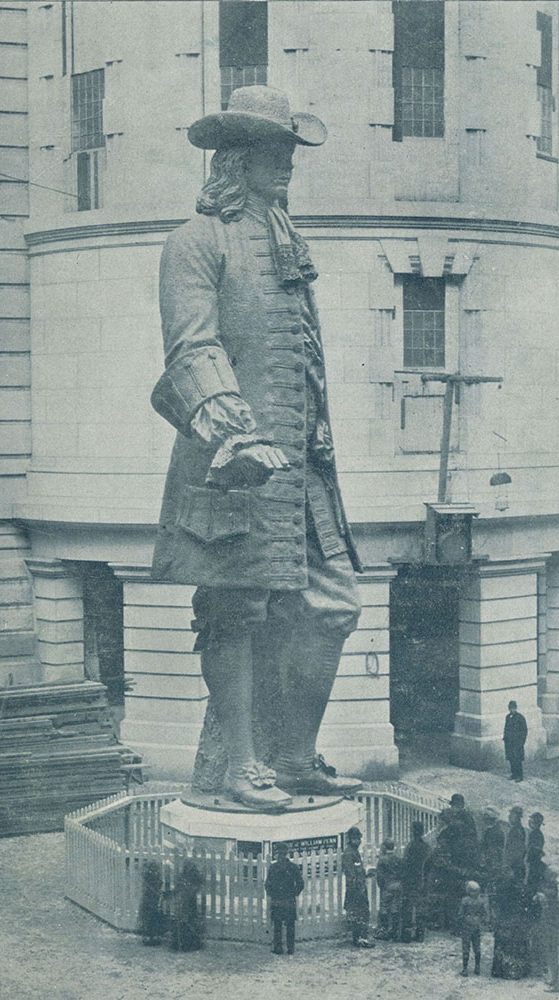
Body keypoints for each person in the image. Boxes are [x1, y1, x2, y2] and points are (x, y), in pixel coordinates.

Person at [150, 84, 363, 811]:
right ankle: (240, 768)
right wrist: (234, 432)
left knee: (332, 605)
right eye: (276, 153)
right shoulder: (195, 241)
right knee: (235, 613)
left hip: (304, 473)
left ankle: (292, 757)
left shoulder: (285, 244)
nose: (288, 167)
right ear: (235, 160)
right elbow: (190, 349)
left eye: (290, 154)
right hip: (230, 467)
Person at [491, 867, 531, 980]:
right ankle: (516, 970)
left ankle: (500, 969)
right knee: (514, 944)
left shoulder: (501, 887)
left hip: (505, 919)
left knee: (505, 943)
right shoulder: (517, 888)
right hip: (513, 919)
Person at [265, 843, 304, 955]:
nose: (281, 856)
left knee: (278, 925)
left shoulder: (274, 867)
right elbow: (300, 884)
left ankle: (279, 948)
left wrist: (272, 894)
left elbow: (267, 885)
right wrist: (294, 893)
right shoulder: (293, 867)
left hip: (278, 900)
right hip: (288, 900)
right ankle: (290, 948)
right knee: (289, 924)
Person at [342, 827, 375, 948]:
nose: (358, 841)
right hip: (356, 890)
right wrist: (358, 888)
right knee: (360, 913)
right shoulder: (348, 854)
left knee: (360, 913)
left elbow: (358, 871)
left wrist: (366, 874)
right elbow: (350, 874)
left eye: (359, 839)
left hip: (360, 887)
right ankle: (360, 939)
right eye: (355, 839)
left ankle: (360, 938)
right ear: (350, 840)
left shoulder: (354, 852)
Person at [401, 820, 431, 943]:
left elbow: (406, 863)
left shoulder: (410, 846)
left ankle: (406, 935)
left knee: (408, 906)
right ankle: (420, 934)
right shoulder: (426, 847)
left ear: (413, 831)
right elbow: (429, 864)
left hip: (411, 879)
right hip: (423, 879)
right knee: (421, 907)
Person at [168, 859, 205, 951]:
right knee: (183, 922)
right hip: (184, 903)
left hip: (190, 903)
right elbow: (177, 889)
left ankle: (189, 943)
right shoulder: (182, 878)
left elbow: (199, 885)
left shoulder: (194, 879)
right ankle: (183, 943)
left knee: (189, 921)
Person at [457, 880, 489, 977]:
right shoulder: (481, 900)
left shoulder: (465, 900)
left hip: (467, 924)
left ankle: (465, 969)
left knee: (466, 947)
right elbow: (484, 914)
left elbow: (460, 915)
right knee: (477, 946)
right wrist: (480, 921)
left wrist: (460, 924)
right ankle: (477, 968)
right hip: (476, 925)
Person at [480, 807, 504, 925]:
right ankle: (491, 919)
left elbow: (489, 849)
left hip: (492, 864)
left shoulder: (492, 832)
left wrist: (486, 859)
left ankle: (491, 919)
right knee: (492, 893)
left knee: (491, 893)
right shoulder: (498, 830)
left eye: (486, 819)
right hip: (495, 864)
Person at [375, 839, 403, 940]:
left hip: (387, 886)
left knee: (384, 908)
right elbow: (402, 872)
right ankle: (394, 931)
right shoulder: (398, 859)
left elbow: (380, 876)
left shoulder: (382, 860)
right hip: (398, 885)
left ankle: (385, 931)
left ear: (384, 847)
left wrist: (381, 886)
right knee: (395, 908)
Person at [137, 861, 165, 945]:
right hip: (149, 903)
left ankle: (154, 936)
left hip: (154, 903)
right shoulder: (147, 881)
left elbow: (159, 885)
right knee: (148, 918)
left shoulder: (158, 881)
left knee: (155, 918)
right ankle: (148, 936)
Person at [503, 700, 528, 782]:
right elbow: (506, 728)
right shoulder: (507, 717)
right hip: (509, 742)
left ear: (516, 708)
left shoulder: (520, 718)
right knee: (511, 758)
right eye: (510, 708)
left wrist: (521, 742)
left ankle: (519, 775)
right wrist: (505, 738)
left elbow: (524, 731)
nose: (511, 710)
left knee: (517, 759)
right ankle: (514, 774)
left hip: (517, 743)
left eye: (513, 708)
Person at [505, 806, 527, 882]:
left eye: (511, 814)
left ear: (516, 816)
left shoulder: (516, 831)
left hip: (514, 869)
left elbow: (517, 852)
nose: (509, 816)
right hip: (516, 867)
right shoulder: (519, 829)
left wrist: (509, 868)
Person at [526, 812, 545, 890]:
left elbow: (533, 851)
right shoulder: (534, 833)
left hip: (532, 865)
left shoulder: (536, 834)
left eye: (532, 821)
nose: (530, 822)